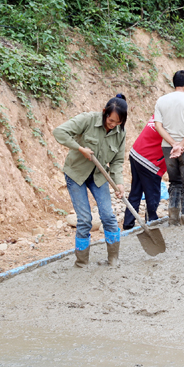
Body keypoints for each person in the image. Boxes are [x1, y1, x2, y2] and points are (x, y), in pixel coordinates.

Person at [54, 96, 127, 267]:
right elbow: (59, 132)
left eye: (118, 122)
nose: (113, 125)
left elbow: (117, 162)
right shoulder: (87, 120)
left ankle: (113, 259)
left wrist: (119, 183)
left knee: (108, 216)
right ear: (104, 113)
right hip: (77, 174)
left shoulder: (120, 133)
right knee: (85, 219)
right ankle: (81, 262)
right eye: (111, 120)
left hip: (99, 176)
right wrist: (80, 149)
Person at [123, 116, 184, 230]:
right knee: (152, 196)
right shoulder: (173, 127)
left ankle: (128, 225)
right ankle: (151, 222)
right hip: (149, 161)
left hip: (135, 154)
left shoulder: (159, 115)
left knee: (135, 191)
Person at [154, 70, 184, 226]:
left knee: (175, 182)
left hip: (168, 148)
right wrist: (182, 144)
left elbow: (158, 126)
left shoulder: (161, 101)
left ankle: (174, 212)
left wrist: (173, 144)